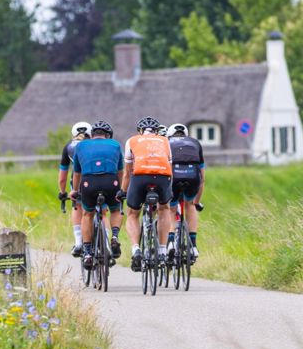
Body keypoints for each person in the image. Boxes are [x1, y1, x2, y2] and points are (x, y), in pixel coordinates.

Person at [123, 116, 174, 272]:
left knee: (132, 213)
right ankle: (163, 251)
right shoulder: (165, 141)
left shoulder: (132, 140)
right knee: (164, 209)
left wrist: (123, 192)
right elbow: (169, 165)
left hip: (140, 177)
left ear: (140, 131)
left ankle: (136, 249)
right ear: (157, 131)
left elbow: (127, 172)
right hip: (162, 177)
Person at [72, 120, 123, 262]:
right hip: (110, 181)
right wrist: (121, 189)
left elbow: (77, 173)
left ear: (92, 134)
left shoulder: (81, 145)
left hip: (89, 182)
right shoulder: (115, 144)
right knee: (115, 209)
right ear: (107, 135)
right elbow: (120, 172)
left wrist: (74, 191)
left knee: (87, 214)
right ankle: (114, 236)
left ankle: (87, 253)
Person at [166, 122, 205, 262]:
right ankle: (193, 245)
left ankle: (170, 241)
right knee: (190, 205)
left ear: (169, 134)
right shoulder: (195, 143)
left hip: (174, 176)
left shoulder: (166, 142)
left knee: (170, 209)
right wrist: (197, 201)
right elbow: (202, 178)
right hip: (192, 176)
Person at [58, 120, 92, 255]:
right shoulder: (93, 144)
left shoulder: (68, 147)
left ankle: (78, 242)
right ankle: (106, 243)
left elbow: (62, 177)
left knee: (77, 205)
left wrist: (62, 192)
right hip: (97, 179)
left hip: (78, 181)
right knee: (102, 210)